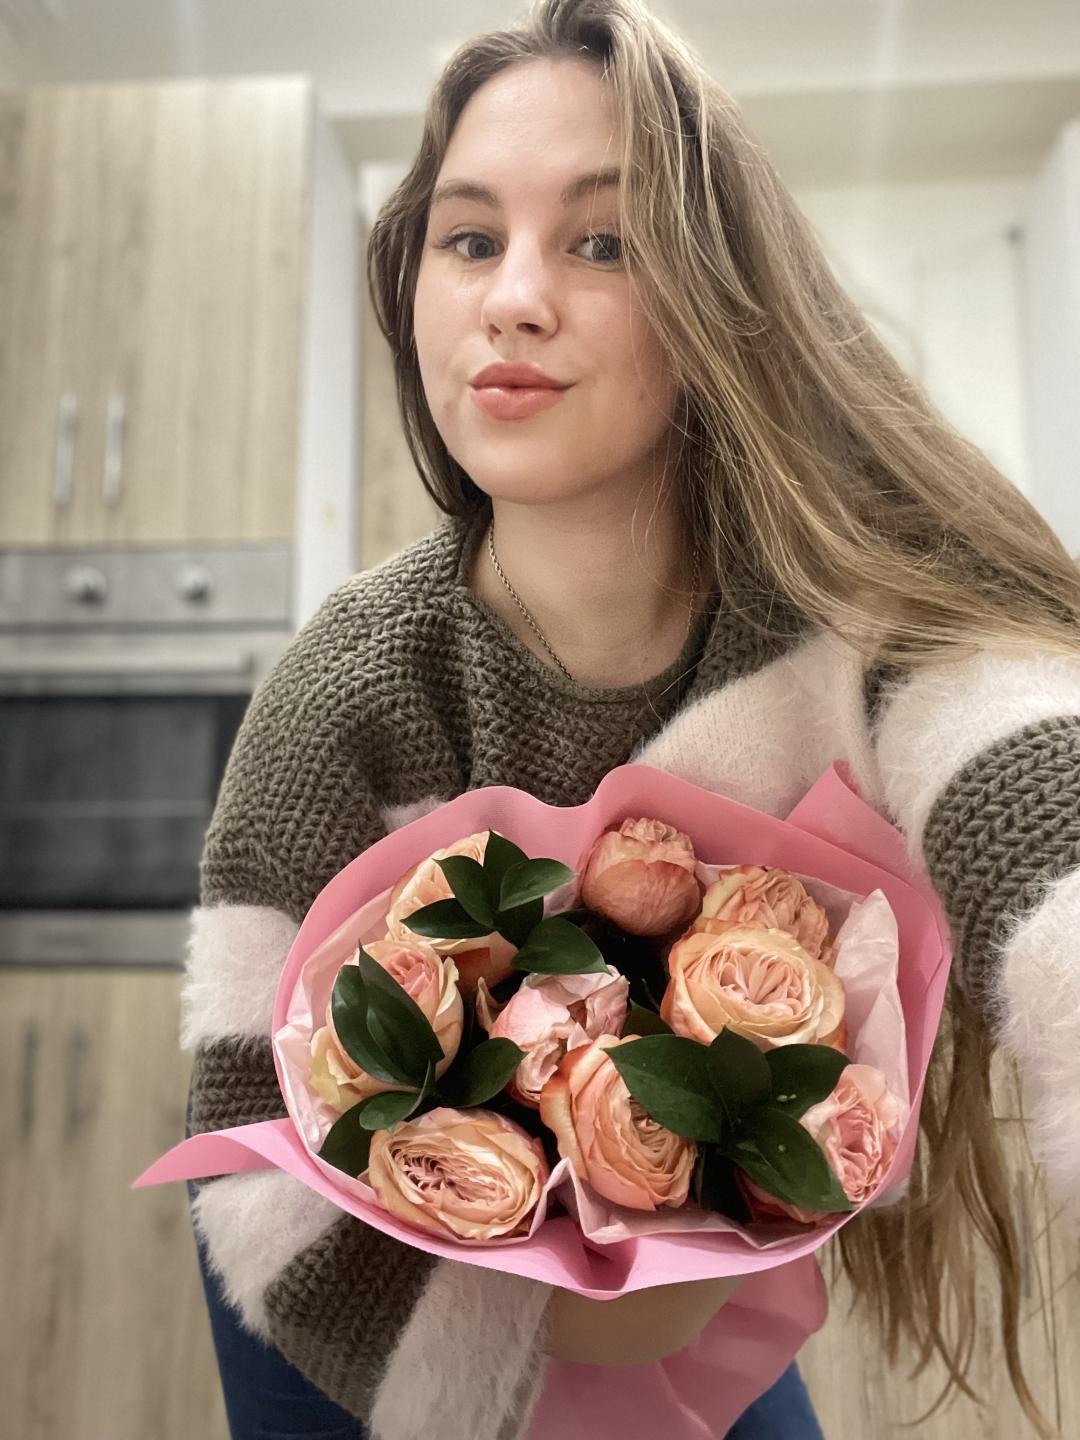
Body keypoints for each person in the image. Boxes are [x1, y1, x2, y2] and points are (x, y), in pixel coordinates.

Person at [181, 2, 1080, 1438]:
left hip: (699, 1314)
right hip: (355, 1304)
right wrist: (542, 1334)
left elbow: (1034, 793)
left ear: (720, 296)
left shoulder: (837, 625)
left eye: (602, 241)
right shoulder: (349, 689)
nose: (513, 298)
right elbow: (242, 1137)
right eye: (469, 238)